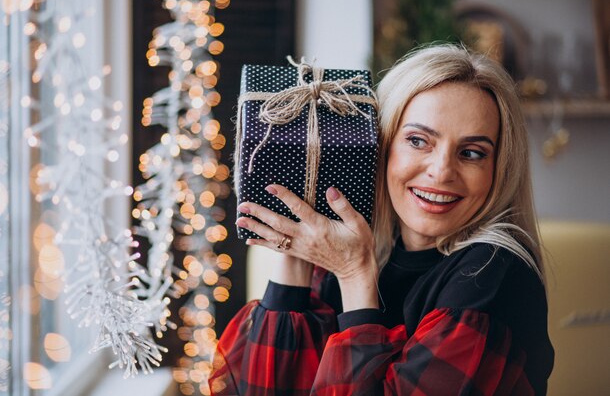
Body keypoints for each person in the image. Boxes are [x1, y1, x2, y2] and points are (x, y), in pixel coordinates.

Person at [209, 44, 554, 396]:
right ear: (382, 145)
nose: (441, 171)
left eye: (471, 153)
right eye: (418, 141)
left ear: (498, 170)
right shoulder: (354, 244)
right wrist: (295, 257)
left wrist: (356, 276)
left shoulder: (492, 275)